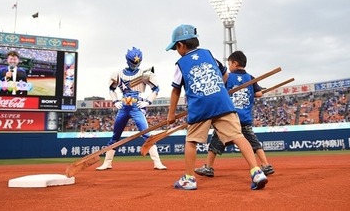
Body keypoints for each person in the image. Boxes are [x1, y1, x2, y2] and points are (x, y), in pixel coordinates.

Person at [166, 24, 268, 190]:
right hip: (222, 102)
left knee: (191, 141)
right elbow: (225, 75)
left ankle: (189, 179)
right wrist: (216, 90)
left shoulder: (180, 63)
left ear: (181, 45)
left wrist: (171, 114)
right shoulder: (208, 54)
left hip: (200, 105)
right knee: (237, 135)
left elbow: (175, 90)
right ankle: (256, 171)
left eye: (175, 48)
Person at [195, 51, 275, 178]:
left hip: (230, 118)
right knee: (254, 143)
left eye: (229, 63)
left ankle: (209, 167)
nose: (229, 66)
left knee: (215, 142)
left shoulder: (228, 77)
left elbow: (220, 92)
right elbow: (259, 94)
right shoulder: (250, 78)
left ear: (235, 63)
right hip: (245, 118)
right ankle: (266, 165)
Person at [96, 47, 167, 170]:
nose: (135, 64)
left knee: (146, 134)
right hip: (123, 106)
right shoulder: (118, 74)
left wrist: (147, 101)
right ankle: (107, 162)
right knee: (115, 135)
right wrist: (116, 101)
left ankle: (157, 162)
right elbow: (111, 89)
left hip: (136, 106)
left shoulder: (145, 74)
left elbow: (156, 89)